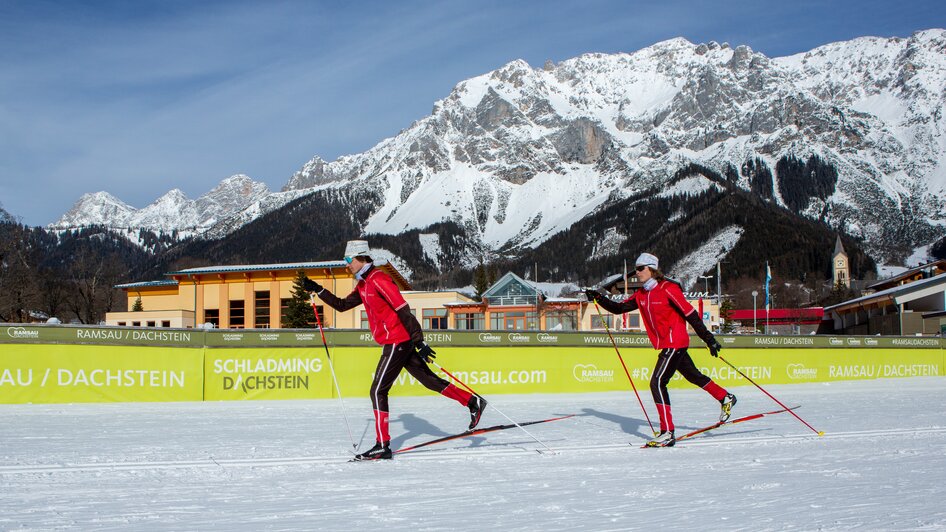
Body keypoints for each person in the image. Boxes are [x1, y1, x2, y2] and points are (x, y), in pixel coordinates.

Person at [304, 240, 488, 460]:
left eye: (348, 260)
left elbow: (402, 308)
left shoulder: (379, 279)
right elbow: (342, 306)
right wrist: (318, 289)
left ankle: (382, 445)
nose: (346, 265)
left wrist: (419, 340)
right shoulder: (363, 284)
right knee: (429, 380)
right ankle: (472, 401)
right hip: (396, 341)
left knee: (377, 390)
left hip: (397, 340)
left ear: (360, 257)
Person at [585, 252, 735, 448]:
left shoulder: (668, 289)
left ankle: (667, 432)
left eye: (641, 269)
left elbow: (691, 315)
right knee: (693, 376)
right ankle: (725, 397)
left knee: (657, 382)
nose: (637, 273)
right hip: (667, 344)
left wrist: (709, 339)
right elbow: (618, 309)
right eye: (636, 269)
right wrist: (598, 297)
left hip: (676, 342)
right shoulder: (642, 294)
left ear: (652, 270)